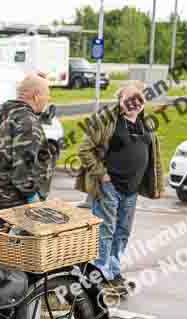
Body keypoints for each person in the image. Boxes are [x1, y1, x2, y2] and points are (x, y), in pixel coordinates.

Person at [76, 82, 164, 297]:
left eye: (139, 99)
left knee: (122, 232)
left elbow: (153, 157)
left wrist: (154, 182)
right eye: (129, 99)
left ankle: (113, 273)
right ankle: (99, 278)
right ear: (120, 99)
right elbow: (84, 149)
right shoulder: (106, 120)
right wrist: (102, 174)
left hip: (131, 190)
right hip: (109, 187)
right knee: (105, 232)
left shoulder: (146, 124)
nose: (134, 103)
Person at [0, 73, 53, 260]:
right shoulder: (27, 122)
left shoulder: (4, 116)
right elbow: (24, 167)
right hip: (16, 200)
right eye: (47, 95)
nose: (48, 100)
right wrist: (33, 197)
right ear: (36, 96)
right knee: (11, 255)